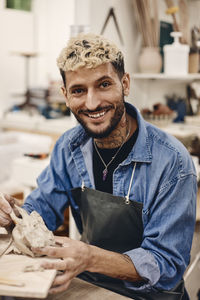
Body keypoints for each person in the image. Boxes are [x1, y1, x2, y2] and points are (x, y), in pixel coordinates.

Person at [0, 33, 197, 300]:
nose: (92, 103)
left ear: (125, 84)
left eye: (104, 85)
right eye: (79, 90)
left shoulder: (172, 161)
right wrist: (15, 216)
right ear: (65, 95)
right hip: (90, 282)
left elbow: (166, 265)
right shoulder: (68, 147)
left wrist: (89, 257)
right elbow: (42, 208)